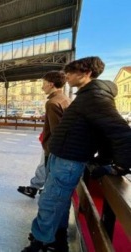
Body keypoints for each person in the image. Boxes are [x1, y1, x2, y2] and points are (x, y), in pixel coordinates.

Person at [22, 57, 131, 252]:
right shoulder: (86, 96)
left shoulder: (95, 97)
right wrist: (103, 158)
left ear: (87, 73)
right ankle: (55, 238)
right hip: (63, 157)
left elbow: (120, 131)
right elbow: (100, 130)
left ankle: (41, 243)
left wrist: (119, 165)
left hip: (68, 161)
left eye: (71, 72)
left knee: (50, 202)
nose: (67, 76)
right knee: (57, 201)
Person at [17, 71, 71, 198]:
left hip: (53, 146)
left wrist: (49, 147)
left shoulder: (53, 102)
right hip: (56, 145)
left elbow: (57, 131)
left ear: (51, 84)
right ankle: (36, 187)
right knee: (44, 166)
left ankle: (43, 189)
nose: (42, 87)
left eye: (44, 84)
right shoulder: (65, 99)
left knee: (47, 167)